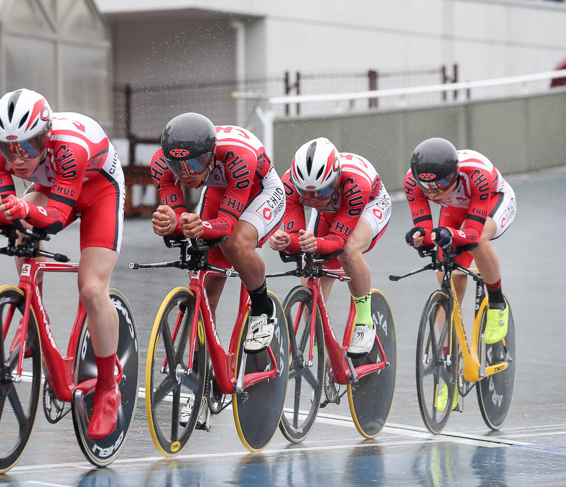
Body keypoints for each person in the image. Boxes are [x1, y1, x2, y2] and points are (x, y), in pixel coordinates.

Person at [0, 88, 125, 440]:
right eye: (9, 149)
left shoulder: (69, 147)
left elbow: (54, 219)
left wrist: (22, 210)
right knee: (21, 239)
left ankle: (107, 387)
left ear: (46, 135)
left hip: (98, 190)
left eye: (27, 146)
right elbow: (11, 216)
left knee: (91, 287)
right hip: (53, 186)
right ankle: (34, 325)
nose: (17, 158)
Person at [150, 113, 285, 424]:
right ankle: (202, 380)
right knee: (206, 286)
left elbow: (224, 226)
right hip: (220, 189)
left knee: (235, 243)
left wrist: (197, 226)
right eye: (178, 166)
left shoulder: (238, 156)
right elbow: (180, 219)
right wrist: (171, 223)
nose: (185, 175)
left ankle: (262, 306)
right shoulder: (162, 163)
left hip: (258, 190)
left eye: (194, 165)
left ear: (210, 156)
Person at [268, 137, 392, 357]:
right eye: (306, 194)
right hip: (329, 209)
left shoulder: (356, 183)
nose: (314, 199)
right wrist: (286, 241)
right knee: (311, 268)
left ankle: (364, 322)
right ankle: (323, 345)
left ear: (335, 180)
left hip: (369, 205)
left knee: (348, 250)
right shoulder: (290, 184)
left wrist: (317, 242)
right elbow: (296, 238)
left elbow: (338, 241)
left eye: (322, 191)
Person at [403, 137, 517, 346]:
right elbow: (427, 232)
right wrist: (420, 238)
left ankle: (497, 303)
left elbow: (472, 233)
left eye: (439, 185)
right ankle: (447, 358)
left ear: (454, 175)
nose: (432, 193)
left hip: (493, 199)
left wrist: (450, 234)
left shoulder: (477, 175)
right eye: (425, 187)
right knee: (445, 272)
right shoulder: (412, 181)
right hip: (455, 208)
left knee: (478, 240)